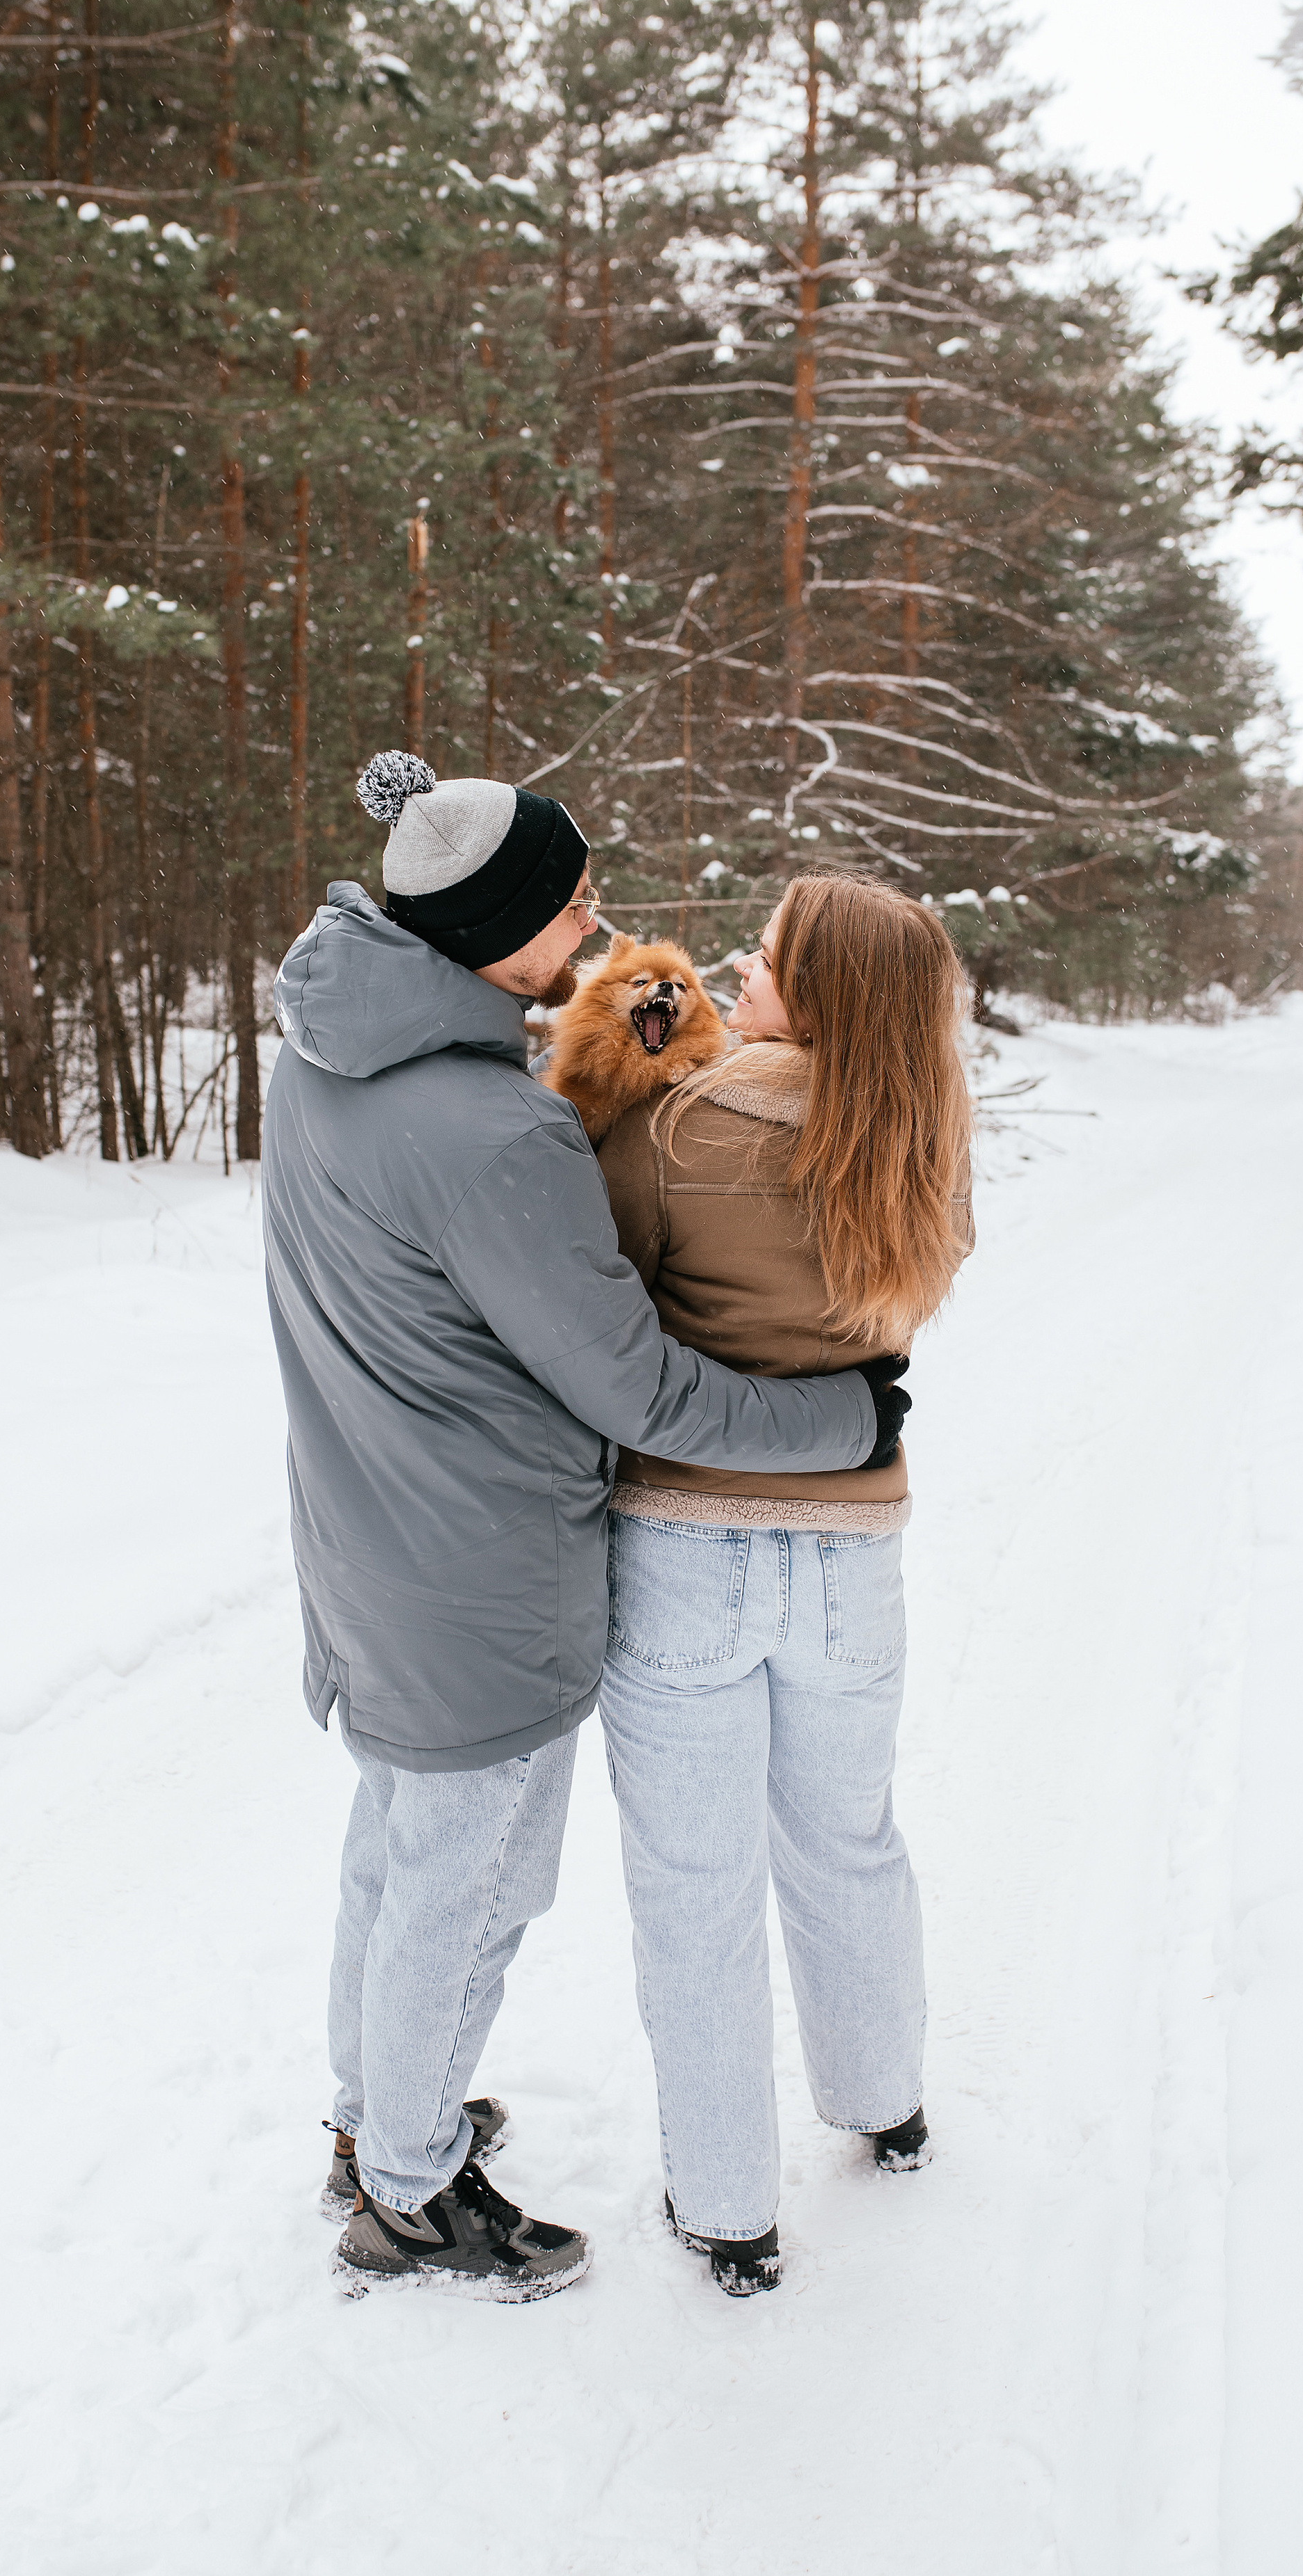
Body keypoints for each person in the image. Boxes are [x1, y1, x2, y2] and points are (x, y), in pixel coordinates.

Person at [260, 761, 913, 2303]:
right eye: (570, 909)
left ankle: (376, 2117)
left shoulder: (323, 1053)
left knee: (394, 1850)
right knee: (468, 1886)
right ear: (497, 939)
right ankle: (410, 2195)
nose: (598, 923)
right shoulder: (494, 1131)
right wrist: (841, 1424)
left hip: (360, 1532)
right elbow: (630, 1382)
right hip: (480, 1569)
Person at [595, 875, 974, 2297]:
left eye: (773, 952)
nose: (743, 961)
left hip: (684, 1544)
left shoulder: (678, 1120)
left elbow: (610, 1290)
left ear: (813, 992)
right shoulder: (923, 1139)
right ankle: (884, 2102)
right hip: (850, 1553)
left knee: (693, 1890)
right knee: (848, 1842)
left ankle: (727, 2206)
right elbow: (898, 1310)